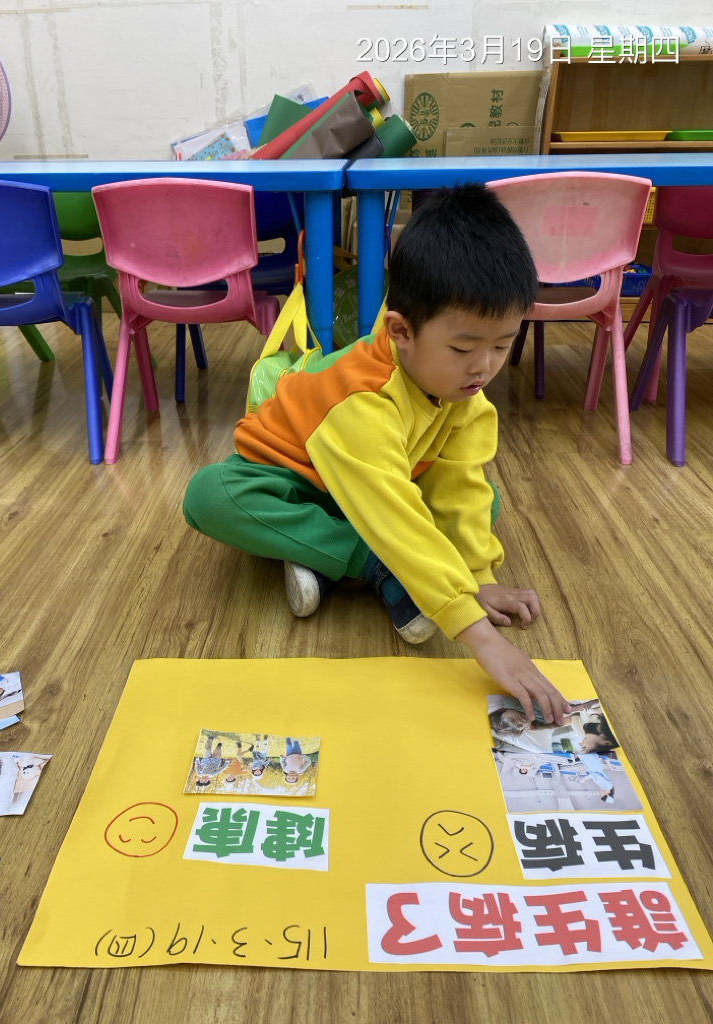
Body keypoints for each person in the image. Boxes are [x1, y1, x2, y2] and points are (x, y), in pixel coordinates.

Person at [183, 184, 570, 724]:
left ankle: (326, 557)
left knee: (485, 501)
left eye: (502, 345)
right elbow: (390, 508)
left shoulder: (468, 397)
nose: (483, 367)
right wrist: (481, 637)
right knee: (210, 495)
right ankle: (376, 563)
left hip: (380, 485)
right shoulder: (363, 400)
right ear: (401, 330)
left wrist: (480, 579)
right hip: (296, 481)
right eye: (462, 348)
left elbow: (458, 485)